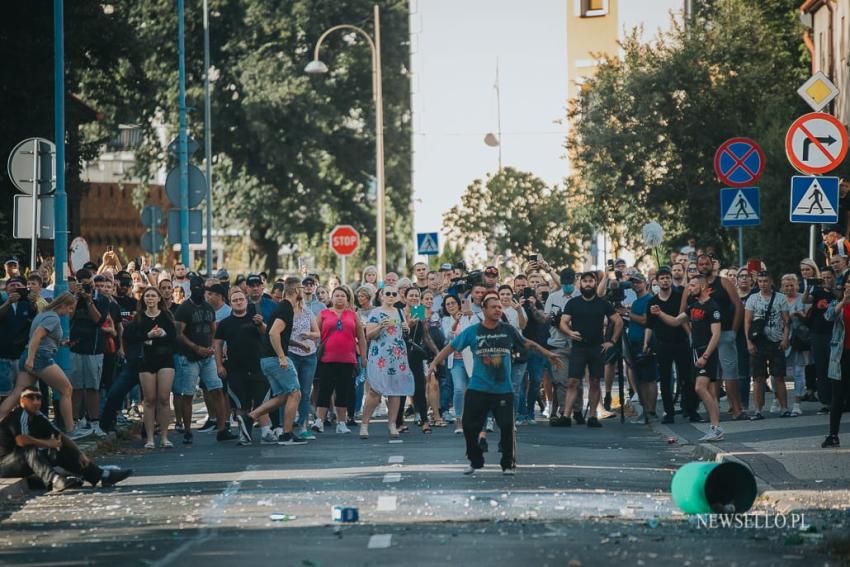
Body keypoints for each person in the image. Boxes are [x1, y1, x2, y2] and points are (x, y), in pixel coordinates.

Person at [428, 293, 563, 475]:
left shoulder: (508, 330)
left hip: (503, 389)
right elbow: (451, 347)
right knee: (468, 425)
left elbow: (527, 343)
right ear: (484, 310)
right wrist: (435, 362)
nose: (498, 310)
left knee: (507, 427)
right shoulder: (473, 331)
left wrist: (548, 354)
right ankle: (475, 460)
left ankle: (507, 464)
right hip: (478, 388)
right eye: (494, 307)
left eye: (500, 307)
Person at [0, 386, 132, 491]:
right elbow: (22, 441)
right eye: (30, 398)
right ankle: (55, 481)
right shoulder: (19, 415)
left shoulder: (38, 416)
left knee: (60, 449)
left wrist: (79, 453)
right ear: (22, 401)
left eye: (38, 398)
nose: (36, 402)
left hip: (23, 462)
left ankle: (102, 475)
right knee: (31, 450)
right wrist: (48, 444)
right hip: (5, 465)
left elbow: (61, 436)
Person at [654, 274, 724, 441]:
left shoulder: (712, 307)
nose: (689, 289)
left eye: (692, 286)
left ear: (701, 286)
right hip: (696, 351)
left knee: (700, 387)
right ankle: (715, 427)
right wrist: (659, 313)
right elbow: (676, 321)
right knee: (710, 391)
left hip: (707, 353)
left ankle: (716, 427)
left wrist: (705, 356)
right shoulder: (693, 306)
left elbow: (716, 334)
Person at [0, 293, 78, 437]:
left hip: (28, 355)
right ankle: (70, 429)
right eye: (70, 308)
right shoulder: (53, 318)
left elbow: (42, 338)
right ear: (63, 305)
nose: (70, 312)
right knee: (66, 389)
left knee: (18, 392)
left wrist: (61, 344)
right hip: (40, 358)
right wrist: (31, 359)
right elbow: (37, 336)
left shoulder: (43, 314)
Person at [173, 276, 236, 444]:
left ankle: (222, 429)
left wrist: (212, 348)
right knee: (188, 394)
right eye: (196, 288)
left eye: (203, 288)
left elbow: (214, 329)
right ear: (191, 289)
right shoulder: (184, 308)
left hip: (208, 356)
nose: (200, 291)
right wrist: (196, 348)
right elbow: (178, 334)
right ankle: (187, 431)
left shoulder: (209, 308)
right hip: (189, 357)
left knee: (217, 389)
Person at [558, 272, 623, 428]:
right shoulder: (573, 303)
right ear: (580, 284)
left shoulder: (603, 303)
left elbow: (618, 321)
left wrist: (612, 341)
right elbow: (563, 322)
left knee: (594, 382)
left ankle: (593, 416)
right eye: (585, 281)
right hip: (578, 348)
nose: (588, 284)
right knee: (572, 381)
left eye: (591, 281)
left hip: (597, 348)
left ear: (595, 283)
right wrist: (569, 332)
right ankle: (566, 416)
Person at [248, 277, 307, 445]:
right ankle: (287, 434)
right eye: (301, 288)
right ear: (296, 290)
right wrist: (282, 357)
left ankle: (250, 417)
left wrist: (296, 344)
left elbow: (273, 332)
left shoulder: (282, 307)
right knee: (295, 392)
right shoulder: (286, 308)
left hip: (267, 359)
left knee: (285, 395)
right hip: (274, 358)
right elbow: (274, 333)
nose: (302, 291)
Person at [215, 288, 271, 446]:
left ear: (246, 301)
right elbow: (218, 344)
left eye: (241, 299)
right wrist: (219, 365)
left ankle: (266, 432)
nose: (238, 302)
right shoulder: (225, 323)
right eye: (235, 300)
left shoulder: (256, 318)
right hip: (235, 369)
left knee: (262, 401)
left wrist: (261, 324)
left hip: (258, 367)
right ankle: (244, 434)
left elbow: (266, 333)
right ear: (230, 303)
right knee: (240, 404)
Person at [361, 286, 416, 439]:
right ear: (381, 296)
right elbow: (368, 335)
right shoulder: (376, 312)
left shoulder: (400, 312)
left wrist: (406, 328)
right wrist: (380, 326)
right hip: (380, 356)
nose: (391, 296)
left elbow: (403, 335)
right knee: (375, 391)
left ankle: (392, 424)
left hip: (397, 357)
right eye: (388, 293)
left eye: (394, 294)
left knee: (396, 391)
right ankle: (365, 424)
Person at [312, 287, 367, 434]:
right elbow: (315, 334)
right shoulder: (323, 314)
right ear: (332, 297)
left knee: (343, 391)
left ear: (347, 299)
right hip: (326, 358)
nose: (340, 298)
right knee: (325, 389)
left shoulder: (353, 315)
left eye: (343, 296)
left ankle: (341, 423)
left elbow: (361, 337)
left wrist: (363, 357)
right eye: (337, 295)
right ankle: (319, 421)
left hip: (348, 359)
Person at [645, 267, 695, 423]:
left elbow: (686, 319)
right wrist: (646, 342)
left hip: (681, 342)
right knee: (666, 380)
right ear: (657, 281)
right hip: (662, 344)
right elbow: (649, 324)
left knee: (687, 378)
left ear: (671, 279)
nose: (665, 281)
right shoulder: (652, 302)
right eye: (662, 278)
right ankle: (669, 412)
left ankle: (690, 409)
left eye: (667, 278)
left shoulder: (679, 297)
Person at [68, 269, 111, 438]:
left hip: (94, 349)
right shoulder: (72, 297)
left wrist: (88, 301)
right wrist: (76, 298)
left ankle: (95, 422)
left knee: (93, 387)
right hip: (75, 347)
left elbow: (99, 320)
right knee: (76, 387)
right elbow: (67, 318)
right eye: (82, 283)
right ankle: (76, 421)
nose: (86, 286)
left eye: (88, 282)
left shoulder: (101, 298)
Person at [744, 272, 791, 419]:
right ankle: (758, 410)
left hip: (776, 339)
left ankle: (784, 408)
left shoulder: (780, 298)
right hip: (758, 341)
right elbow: (747, 321)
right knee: (758, 376)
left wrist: (785, 338)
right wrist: (749, 341)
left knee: (779, 375)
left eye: (765, 281)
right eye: (760, 281)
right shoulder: (753, 299)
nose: (763, 284)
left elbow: (786, 321)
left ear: (771, 281)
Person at [135, 287, 177, 449]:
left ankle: (165, 437)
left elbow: (175, 338)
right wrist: (148, 336)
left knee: (164, 398)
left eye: (153, 296)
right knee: (149, 399)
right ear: (143, 299)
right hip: (146, 361)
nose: (150, 298)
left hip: (165, 359)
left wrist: (164, 334)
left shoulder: (166, 316)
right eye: (147, 296)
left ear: (159, 299)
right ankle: (150, 439)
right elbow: (132, 336)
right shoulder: (139, 317)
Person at [440, 294, 476, 434]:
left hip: (472, 360)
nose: (450, 306)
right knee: (459, 389)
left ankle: (474, 419)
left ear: (459, 304)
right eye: (447, 304)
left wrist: (468, 315)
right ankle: (458, 419)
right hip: (455, 360)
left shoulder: (470, 317)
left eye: (453, 303)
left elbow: (474, 332)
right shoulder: (445, 320)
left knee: (473, 390)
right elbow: (448, 336)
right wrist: (456, 321)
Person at [288, 288, 320, 441]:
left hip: (309, 356)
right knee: (292, 390)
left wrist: (309, 335)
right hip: (292, 354)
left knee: (306, 392)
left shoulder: (307, 312)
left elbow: (317, 333)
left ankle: (303, 426)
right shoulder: (286, 313)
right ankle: (284, 426)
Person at [804, 266, 836, 414]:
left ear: (834, 278)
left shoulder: (838, 293)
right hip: (817, 333)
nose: (826, 280)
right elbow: (806, 300)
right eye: (823, 277)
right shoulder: (816, 291)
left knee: (834, 368)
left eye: (828, 277)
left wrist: (833, 290)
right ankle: (825, 401)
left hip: (833, 333)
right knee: (821, 368)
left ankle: (838, 399)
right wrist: (808, 287)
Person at [822, 281, 850, 447]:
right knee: (837, 397)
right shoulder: (836, 303)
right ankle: (833, 435)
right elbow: (828, 316)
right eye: (847, 284)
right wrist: (843, 302)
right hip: (841, 355)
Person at [0, 277, 37, 400]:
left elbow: (36, 321)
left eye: (18, 285)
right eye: (12, 285)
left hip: (22, 357)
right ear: (6, 288)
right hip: (3, 357)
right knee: (4, 394)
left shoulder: (28, 303)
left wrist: (33, 303)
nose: (15, 287)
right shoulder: (2, 300)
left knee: (24, 394)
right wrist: (8, 303)